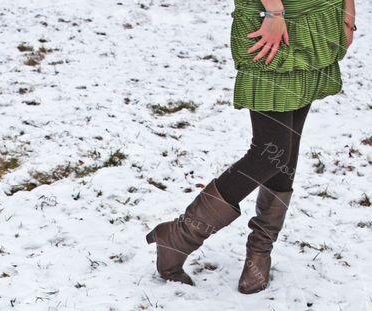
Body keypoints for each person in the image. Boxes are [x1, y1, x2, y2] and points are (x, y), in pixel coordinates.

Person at [146, 0, 356, 294]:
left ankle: (260, 250)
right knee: (272, 152)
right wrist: (274, 12)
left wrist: (347, 14)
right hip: (272, 21)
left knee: (288, 144)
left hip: (319, 17)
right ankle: (180, 236)